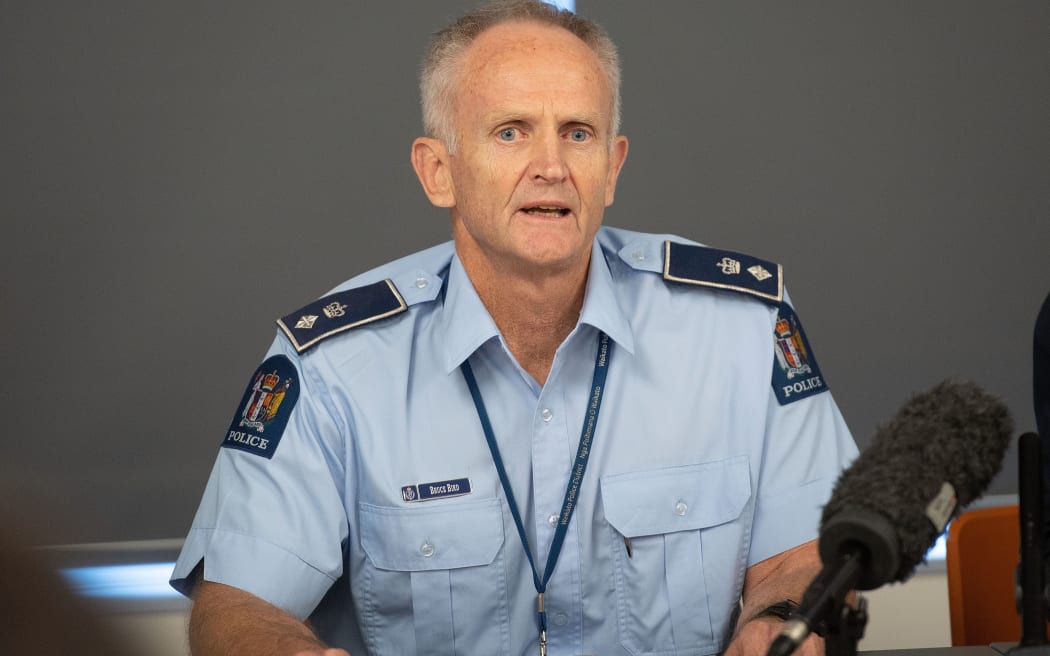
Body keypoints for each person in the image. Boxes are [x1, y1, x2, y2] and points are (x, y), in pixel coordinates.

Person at [170, 1, 858, 654]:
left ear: (612, 167)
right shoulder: (330, 367)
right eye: (511, 131)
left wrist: (778, 617)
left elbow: (804, 555)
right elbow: (236, 605)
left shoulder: (741, 325)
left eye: (577, 133)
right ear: (438, 170)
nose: (552, 167)